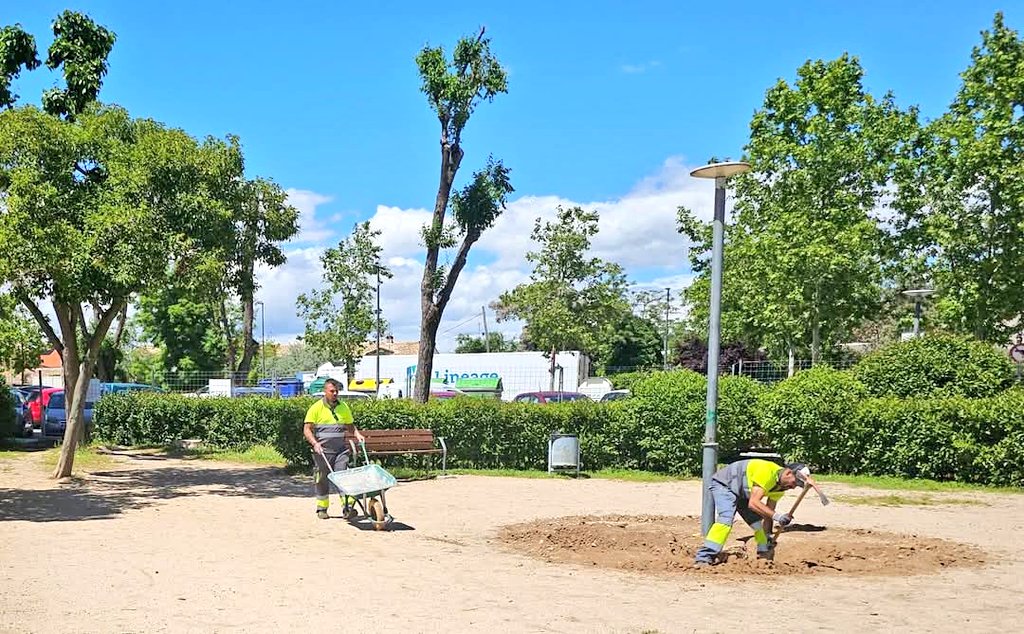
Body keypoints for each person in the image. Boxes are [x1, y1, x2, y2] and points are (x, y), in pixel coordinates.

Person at [693, 459, 810, 567]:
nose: (793, 487)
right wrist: (779, 517)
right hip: (725, 484)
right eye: (795, 482)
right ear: (788, 473)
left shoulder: (780, 488)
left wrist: (767, 536)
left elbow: (768, 514)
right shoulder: (766, 471)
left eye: (797, 485)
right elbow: (753, 503)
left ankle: (763, 554)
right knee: (725, 519)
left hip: (744, 492)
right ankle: (704, 557)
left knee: (758, 525)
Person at [303, 378, 365, 519]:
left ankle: (347, 508)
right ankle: (322, 508)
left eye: (337, 391)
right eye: (332, 391)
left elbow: (350, 425)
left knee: (342, 476)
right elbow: (307, 429)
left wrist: (357, 434)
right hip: (323, 452)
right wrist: (315, 443)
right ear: (325, 391)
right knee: (322, 478)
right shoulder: (316, 408)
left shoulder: (343, 407)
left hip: (340, 450)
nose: (335, 393)